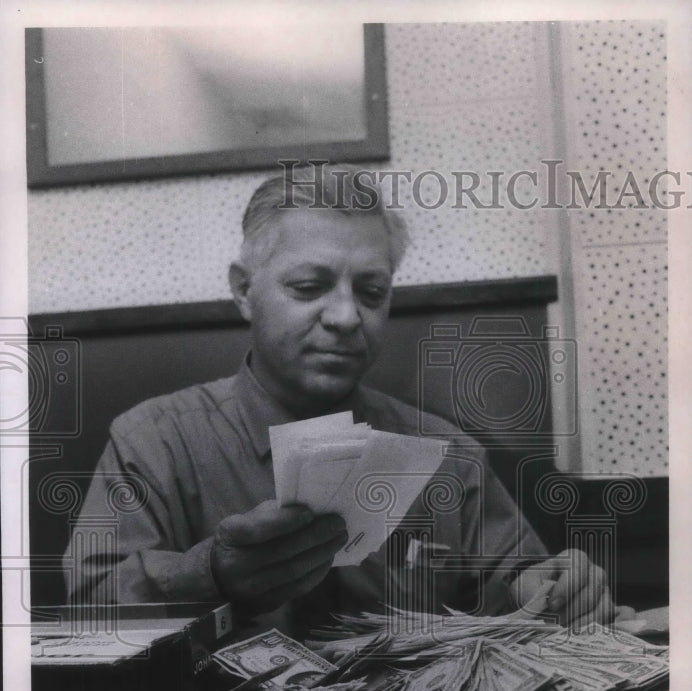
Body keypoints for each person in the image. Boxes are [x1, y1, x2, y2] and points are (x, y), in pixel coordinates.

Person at [64, 163, 615, 632]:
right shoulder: (154, 442)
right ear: (242, 291)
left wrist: (556, 592)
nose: (348, 316)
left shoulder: (449, 455)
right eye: (309, 287)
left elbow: (520, 587)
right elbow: (89, 607)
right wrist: (211, 575)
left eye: (372, 293)